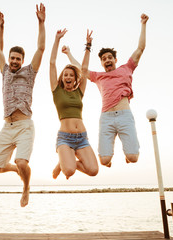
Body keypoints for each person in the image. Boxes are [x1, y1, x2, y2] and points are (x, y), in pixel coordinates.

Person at [62, 14, 149, 168]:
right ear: (101, 62)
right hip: (106, 118)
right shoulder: (98, 76)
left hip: (124, 116)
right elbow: (80, 68)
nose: (107, 60)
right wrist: (69, 53)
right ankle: (108, 158)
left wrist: (143, 24)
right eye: (104, 59)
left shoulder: (127, 68)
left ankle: (128, 156)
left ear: (115, 60)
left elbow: (140, 48)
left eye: (110, 57)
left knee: (133, 157)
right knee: (104, 161)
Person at [0, 3, 45, 207]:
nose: (14, 61)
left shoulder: (30, 72)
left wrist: (41, 23)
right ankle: (17, 171)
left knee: (22, 161)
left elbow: (41, 48)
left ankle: (25, 188)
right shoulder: (4, 71)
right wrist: (1, 28)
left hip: (24, 126)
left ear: (22, 60)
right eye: (12, 58)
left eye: (18, 59)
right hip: (7, 126)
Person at [50, 29, 98, 180]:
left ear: (74, 78)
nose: (68, 77)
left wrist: (88, 47)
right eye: (66, 75)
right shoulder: (57, 91)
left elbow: (83, 69)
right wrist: (57, 39)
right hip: (65, 138)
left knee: (93, 171)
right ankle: (65, 163)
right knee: (69, 171)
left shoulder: (79, 92)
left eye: (71, 75)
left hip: (82, 137)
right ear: (62, 78)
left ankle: (66, 161)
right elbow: (52, 63)